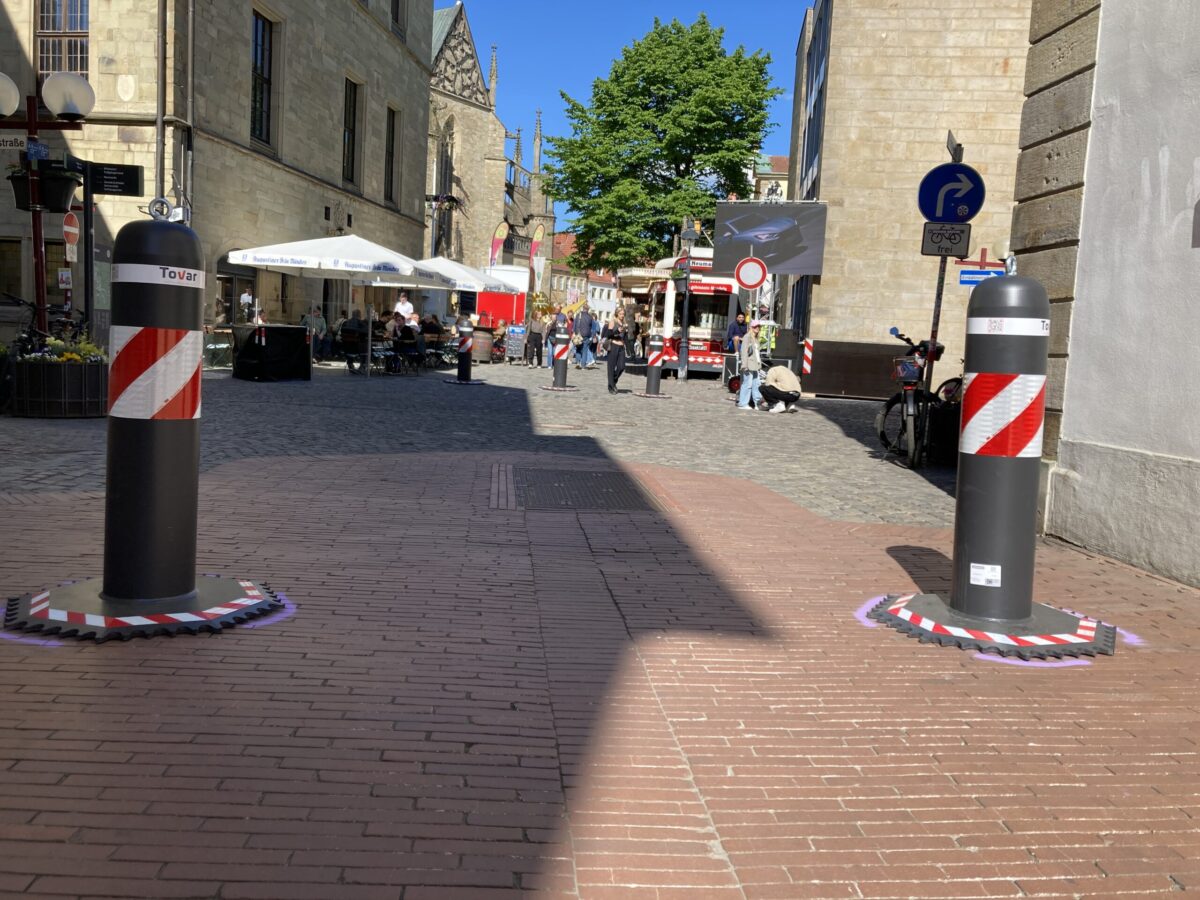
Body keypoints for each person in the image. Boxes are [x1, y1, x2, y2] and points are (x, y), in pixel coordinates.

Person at [737, 319, 765, 410]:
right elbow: (744, 352)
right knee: (747, 384)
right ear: (751, 328)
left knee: (756, 385)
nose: (757, 328)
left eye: (758, 327)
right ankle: (743, 403)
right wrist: (744, 365)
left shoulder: (756, 338)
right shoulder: (747, 337)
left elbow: (757, 353)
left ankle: (757, 404)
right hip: (748, 365)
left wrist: (759, 365)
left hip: (755, 365)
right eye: (755, 326)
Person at [602, 305, 629, 394]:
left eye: (623, 314)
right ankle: (611, 387)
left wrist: (628, 347)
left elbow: (625, 337)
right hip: (613, 346)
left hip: (621, 347)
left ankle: (613, 380)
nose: (622, 315)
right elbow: (608, 335)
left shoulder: (624, 323)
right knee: (611, 367)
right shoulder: (613, 322)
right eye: (621, 314)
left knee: (621, 367)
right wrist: (617, 331)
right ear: (617, 314)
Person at [573, 305, 595, 369]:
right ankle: (583, 365)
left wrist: (574, 332)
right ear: (588, 309)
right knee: (585, 350)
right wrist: (592, 336)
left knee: (578, 349)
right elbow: (593, 328)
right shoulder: (590, 317)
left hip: (578, 335)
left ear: (583, 309)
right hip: (586, 335)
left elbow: (574, 325)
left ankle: (578, 362)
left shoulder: (578, 315)